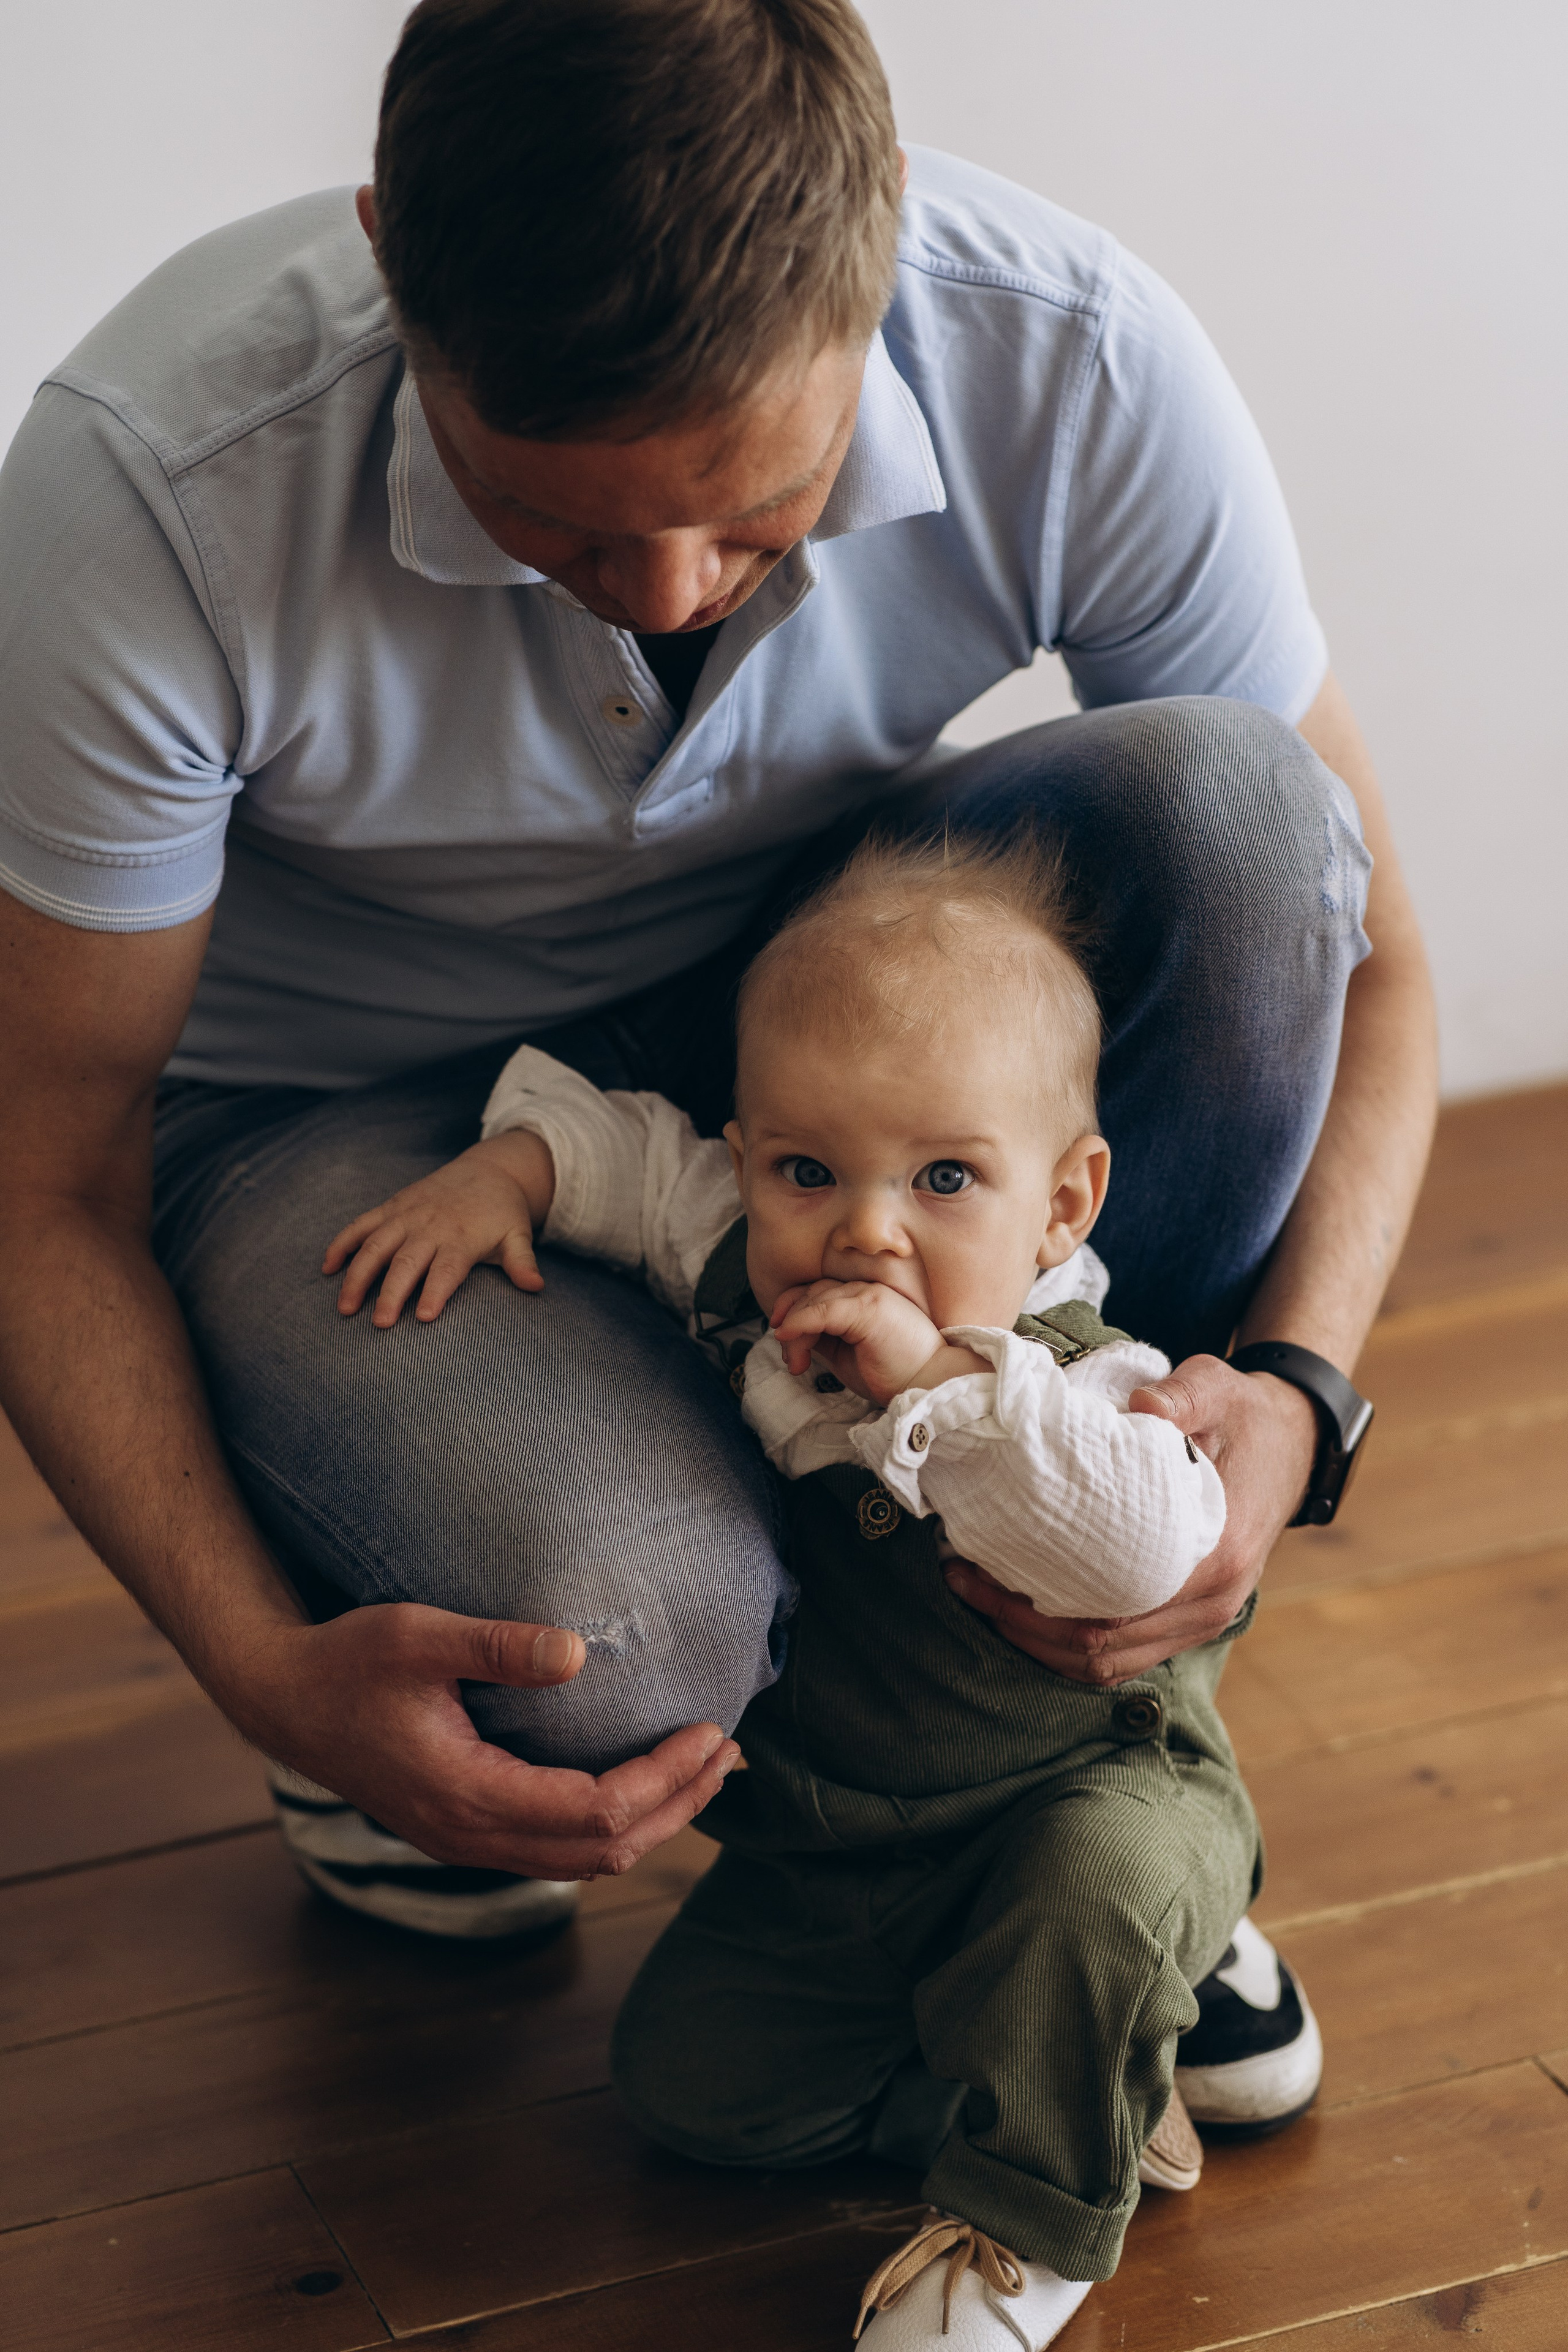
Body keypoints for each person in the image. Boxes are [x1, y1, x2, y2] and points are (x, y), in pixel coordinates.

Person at [0, 0, 1431, 2000]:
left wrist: (1289, 1402)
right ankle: (454, 1592)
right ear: (393, 262)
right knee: (622, 1636)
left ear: (884, 243)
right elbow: (42, 1173)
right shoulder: (150, 495)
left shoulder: (1076, 356)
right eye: (560, 524)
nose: (672, 590)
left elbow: (1378, 966)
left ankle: (1071, 1751)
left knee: (1245, 816)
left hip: (813, 1018)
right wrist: (264, 1664)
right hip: (340, 1119)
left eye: (764, 511)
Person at [316, 825, 1287, 2345]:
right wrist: (506, 1174)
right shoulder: (733, 1241)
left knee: (1099, 1892)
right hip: (845, 1852)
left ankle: (1029, 2220)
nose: (863, 1227)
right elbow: (626, 1153)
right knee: (690, 2095)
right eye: (805, 1169)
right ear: (748, 1154)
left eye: (944, 1177)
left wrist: (931, 1388)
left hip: (1082, 1801)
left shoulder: (1083, 1385)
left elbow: (1134, 1551)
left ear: (1061, 1204)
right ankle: (1077, 2060)